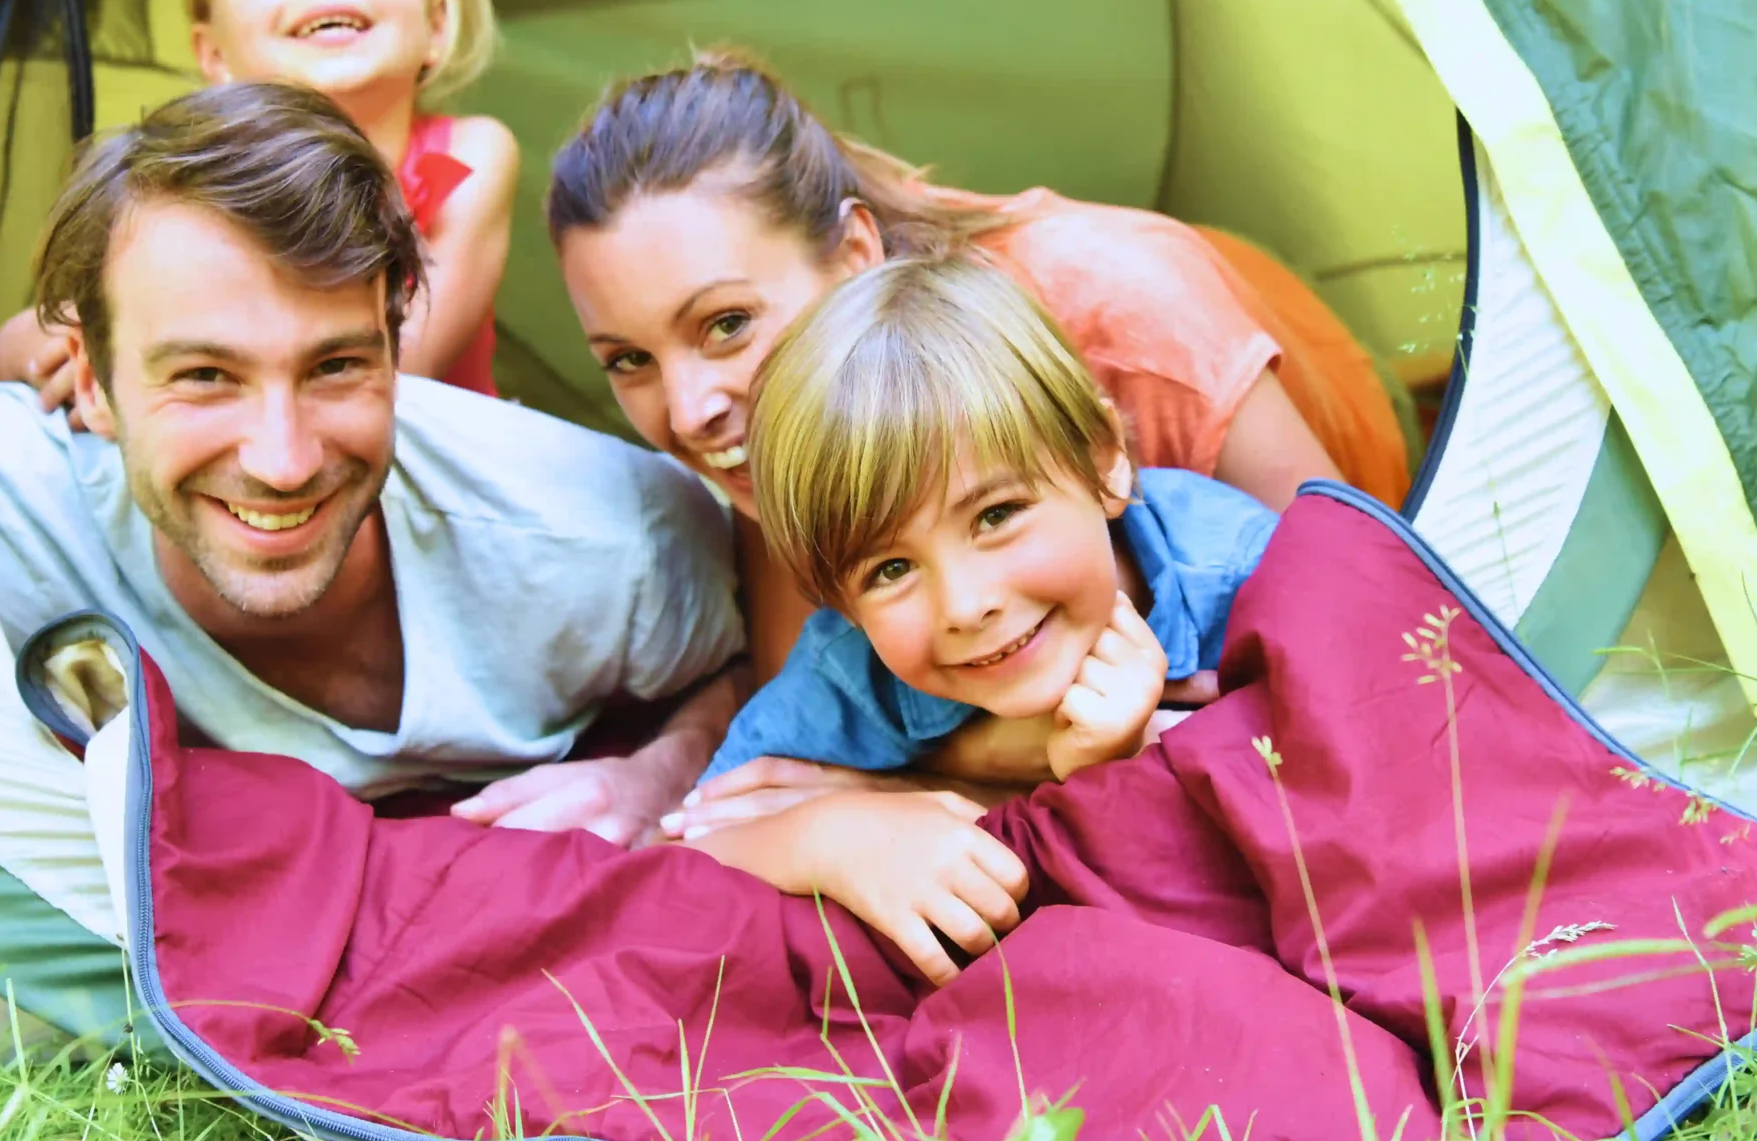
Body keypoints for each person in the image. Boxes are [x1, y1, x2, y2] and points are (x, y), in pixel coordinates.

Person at [545, 48, 1397, 830]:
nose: (689, 411)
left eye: (726, 323)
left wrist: (927, 781)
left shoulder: (1131, 325)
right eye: (629, 360)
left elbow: (1377, 627)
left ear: (853, 255)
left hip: (1327, 370)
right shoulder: (788, 435)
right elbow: (819, 711)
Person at [0, 82, 745, 843]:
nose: (282, 461)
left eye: (335, 366)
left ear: (395, 354)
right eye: (206, 376)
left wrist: (667, 767)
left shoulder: (609, 540)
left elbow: (768, 665)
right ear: (93, 383)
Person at [674, 256, 1277, 980]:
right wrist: (832, 836)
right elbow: (682, 848)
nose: (965, 604)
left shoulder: (1242, 572)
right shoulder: (848, 669)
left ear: (1104, 459)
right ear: (843, 605)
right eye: (890, 569)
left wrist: (1109, 773)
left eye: (995, 515)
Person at [0, 0, 515, 404]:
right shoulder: (195, 190)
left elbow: (394, 372)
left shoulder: (472, 155)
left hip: (410, 459)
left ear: (436, 24)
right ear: (215, 57)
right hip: (239, 439)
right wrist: (88, 347)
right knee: (26, 346)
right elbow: (31, 343)